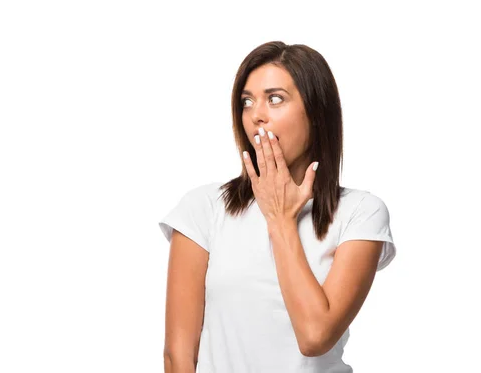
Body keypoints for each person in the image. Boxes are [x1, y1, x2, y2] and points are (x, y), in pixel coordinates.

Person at [158, 41, 397, 373]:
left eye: (275, 98)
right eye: (247, 101)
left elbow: (315, 337)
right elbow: (178, 356)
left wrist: (281, 218)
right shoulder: (204, 208)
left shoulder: (361, 213)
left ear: (316, 112)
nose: (257, 114)